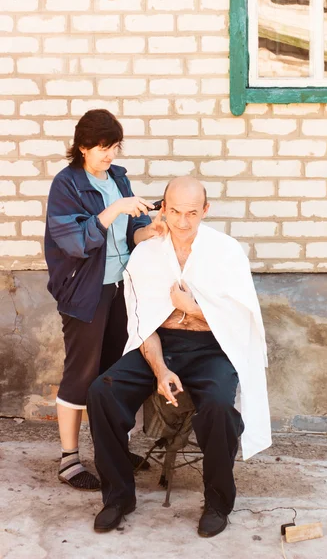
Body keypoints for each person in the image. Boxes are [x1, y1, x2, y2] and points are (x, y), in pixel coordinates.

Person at [87, 176, 272, 537]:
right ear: (164, 209)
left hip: (212, 347)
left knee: (219, 406)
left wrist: (195, 308)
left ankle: (218, 502)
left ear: (206, 210)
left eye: (192, 212)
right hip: (160, 344)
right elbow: (143, 324)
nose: (183, 222)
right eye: (175, 211)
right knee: (102, 392)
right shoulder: (147, 254)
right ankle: (118, 497)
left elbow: (242, 319)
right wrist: (160, 370)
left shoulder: (226, 251)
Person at [45, 109, 167, 491]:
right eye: (103, 147)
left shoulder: (118, 177)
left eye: (114, 146)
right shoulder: (66, 185)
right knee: (81, 375)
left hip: (121, 288)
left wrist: (149, 230)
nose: (110, 154)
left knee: (116, 371)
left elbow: (129, 232)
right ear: (82, 146)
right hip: (86, 292)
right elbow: (75, 243)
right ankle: (69, 461)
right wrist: (113, 209)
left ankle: (112, 447)